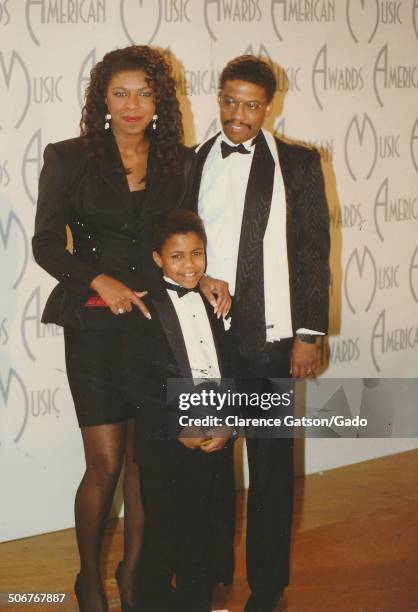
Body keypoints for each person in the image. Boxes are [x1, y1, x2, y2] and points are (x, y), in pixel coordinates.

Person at [32, 46, 228, 612]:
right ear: (102, 101)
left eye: (145, 92)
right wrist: (98, 281)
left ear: (160, 100)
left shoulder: (181, 163)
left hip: (157, 329)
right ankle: (89, 579)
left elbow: (180, 237)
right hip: (94, 326)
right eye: (120, 93)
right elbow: (46, 245)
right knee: (106, 464)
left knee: (148, 463)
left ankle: (135, 574)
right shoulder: (67, 158)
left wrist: (205, 275)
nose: (133, 104)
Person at [190, 55, 330, 611]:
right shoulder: (192, 160)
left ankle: (268, 588)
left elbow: (314, 252)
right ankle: (214, 570)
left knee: (270, 468)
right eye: (229, 100)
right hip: (206, 336)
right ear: (218, 96)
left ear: (267, 106)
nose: (237, 114)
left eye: (250, 105)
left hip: (271, 337)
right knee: (208, 460)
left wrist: (309, 333)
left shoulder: (297, 163)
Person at [125, 210, 237, 612]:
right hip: (166, 441)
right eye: (177, 256)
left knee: (201, 534)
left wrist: (228, 426)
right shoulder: (144, 307)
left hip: (213, 435)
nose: (190, 265)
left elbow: (231, 368)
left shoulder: (217, 301)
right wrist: (177, 427)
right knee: (162, 537)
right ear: (157, 258)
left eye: (197, 253)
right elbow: (138, 382)